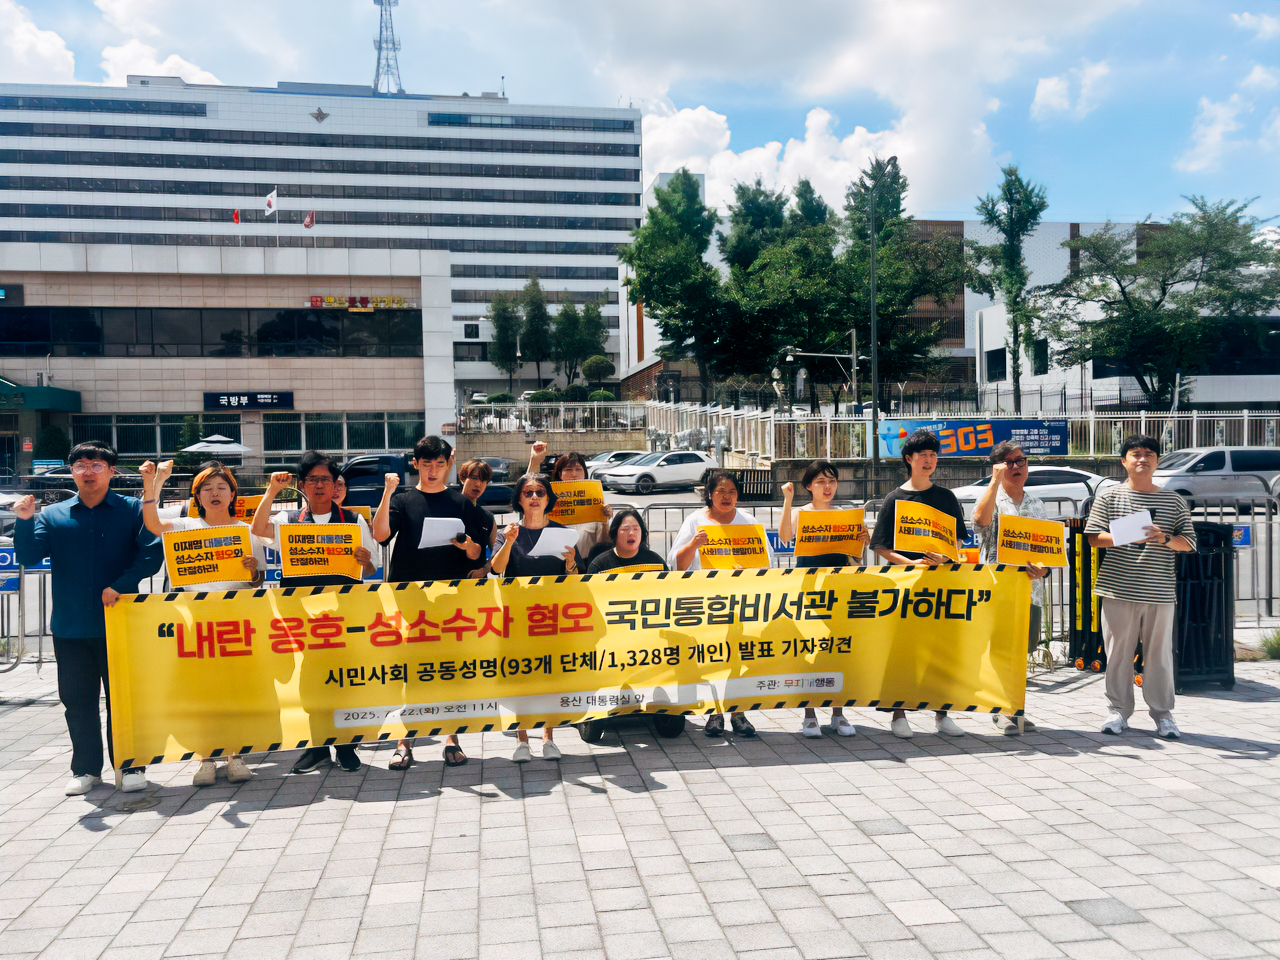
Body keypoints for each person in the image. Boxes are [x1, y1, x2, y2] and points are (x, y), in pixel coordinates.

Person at [13, 441, 163, 796]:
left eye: (97, 465)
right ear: (71, 472)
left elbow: (150, 556)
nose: (88, 471)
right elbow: (30, 556)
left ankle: (130, 765)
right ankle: (85, 769)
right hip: (71, 625)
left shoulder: (131, 510)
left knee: (124, 700)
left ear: (112, 471)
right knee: (77, 701)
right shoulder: (53, 515)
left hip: (121, 622)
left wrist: (121, 585)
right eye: (80, 465)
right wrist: (24, 520)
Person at [139, 458, 266, 784]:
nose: (215, 493)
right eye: (207, 488)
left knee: (236, 690)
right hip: (195, 623)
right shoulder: (186, 526)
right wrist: (153, 482)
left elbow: (258, 581)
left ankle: (235, 756)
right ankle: (206, 758)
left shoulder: (245, 530)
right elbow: (153, 524)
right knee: (202, 692)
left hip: (235, 622)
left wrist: (253, 570)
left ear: (233, 494)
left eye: (222, 487)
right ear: (197, 495)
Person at [251, 451, 376, 774]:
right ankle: (318, 746)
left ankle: (345, 745)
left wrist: (365, 561)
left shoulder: (353, 521)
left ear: (335, 485)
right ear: (303, 484)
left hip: (342, 617)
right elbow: (258, 527)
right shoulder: (289, 521)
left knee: (342, 680)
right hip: (303, 616)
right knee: (309, 682)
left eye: (326, 480)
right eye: (313, 480)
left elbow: (371, 567)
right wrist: (272, 491)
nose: (320, 485)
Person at [372, 436, 488, 769]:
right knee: (412, 670)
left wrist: (466, 546)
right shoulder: (404, 499)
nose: (433, 470)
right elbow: (381, 535)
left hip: (451, 598)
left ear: (448, 464)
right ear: (416, 464)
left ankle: (451, 738)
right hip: (409, 597)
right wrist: (387, 493)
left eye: (439, 464)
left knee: (448, 670)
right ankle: (404, 740)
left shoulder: (461, 502)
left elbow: (477, 553)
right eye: (427, 464)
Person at [1084, 435, 1196, 739]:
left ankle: (1163, 714)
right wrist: (1125, 535)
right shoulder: (1109, 497)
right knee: (1118, 654)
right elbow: (1093, 537)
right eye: (1135, 454)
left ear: (1157, 462)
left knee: (1159, 656)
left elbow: (1188, 543)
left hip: (1159, 591)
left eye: (1149, 454)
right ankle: (1118, 711)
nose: (1142, 459)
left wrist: (1164, 538)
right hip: (1117, 588)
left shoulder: (1173, 500)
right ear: (1124, 461)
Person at [870, 429, 970, 739]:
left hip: (941, 584)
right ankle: (898, 714)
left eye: (933, 455)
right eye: (923, 455)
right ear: (908, 459)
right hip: (904, 584)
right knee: (903, 650)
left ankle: (942, 713)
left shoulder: (946, 497)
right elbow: (881, 546)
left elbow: (958, 540)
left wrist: (946, 557)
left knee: (941, 650)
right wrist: (910, 564)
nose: (929, 460)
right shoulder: (894, 499)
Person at [669, 470, 773, 739]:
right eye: (721, 492)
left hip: (740, 602)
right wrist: (694, 544)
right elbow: (677, 564)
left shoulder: (748, 522)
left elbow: (767, 562)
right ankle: (714, 713)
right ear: (709, 494)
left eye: (732, 492)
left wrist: (747, 571)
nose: (726, 497)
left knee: (738, 656)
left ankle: (738, 713)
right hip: (708, 603)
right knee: (713, 656)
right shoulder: (695, 521)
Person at [491, 473, 581, 762]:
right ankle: (521, 740)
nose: (534, 497)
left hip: (550, 617)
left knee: (549, 677)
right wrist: (508, 542)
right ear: (519, 499)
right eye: (528, 492)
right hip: (517, 616)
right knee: (520, 678)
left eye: (540, 492)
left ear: (548, 499)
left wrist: (571, 565)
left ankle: (548, 737)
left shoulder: (562, 533)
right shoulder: (509, 532)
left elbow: (574, 580)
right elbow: (496, 568)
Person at [779, 460, 869, 738]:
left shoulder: (844, 514)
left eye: (832, 481)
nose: (827, 487)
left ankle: (838, 713)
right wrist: (788, 500)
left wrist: (863, 540)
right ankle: (809, 715)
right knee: (810, 650)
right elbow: (785, 538)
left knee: (838, 650)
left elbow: (855, 559)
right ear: (809, 486)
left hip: (838, 588)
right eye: (821, 482)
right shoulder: (801, 513)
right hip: (809, 588)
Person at [972, 442, 1049, 736]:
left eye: (1021, 461)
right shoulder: (992, 498)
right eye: (1009, 462)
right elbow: (979, 522)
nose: (1016, 467)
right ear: (998, 467)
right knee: (1000, 651)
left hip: (1030, 589)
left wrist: (1044, 569)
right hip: (997, 589)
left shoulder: (1037, 504)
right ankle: (1001, 709)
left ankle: (1015, 707)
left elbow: (1047, 547)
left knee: (1022, 651)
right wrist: (993, 482)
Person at [527, 441, 610, 561]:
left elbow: (604, 544)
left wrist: (605, 520)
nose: (574, 474)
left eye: (578, 469)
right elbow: (528, 488)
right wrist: (535, 460)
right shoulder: (548, 498)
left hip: (585, 563)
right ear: (560, 474)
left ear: (585, 473)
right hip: (554, 562)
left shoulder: (595, 502)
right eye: (568, 469)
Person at [587, 509, 667, 573]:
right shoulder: (600, 565)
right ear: (615, 533)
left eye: (636, 529)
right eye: (625, 529)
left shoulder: (655, 562)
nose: (631, 533)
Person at [456, 457, 498, 578]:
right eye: (474, 478)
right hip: (448, 582)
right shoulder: (449, 509)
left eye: (483, 480)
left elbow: (497, 553)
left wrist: (484, 570)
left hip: (478, 584)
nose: (478, 484)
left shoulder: (487, 517)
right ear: (463, 478)